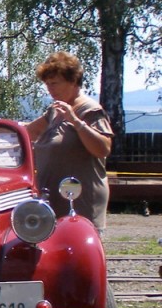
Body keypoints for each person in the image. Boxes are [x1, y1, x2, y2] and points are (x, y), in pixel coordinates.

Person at [23, 51, 112, 234]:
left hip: (81, 203)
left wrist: (76, 122)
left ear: (73, 81)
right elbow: (27, 132)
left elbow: (103, 148)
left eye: (54, 83)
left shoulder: (90, 110)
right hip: (52, 202)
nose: (49, 89)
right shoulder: (55, 111)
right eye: (47, 84)